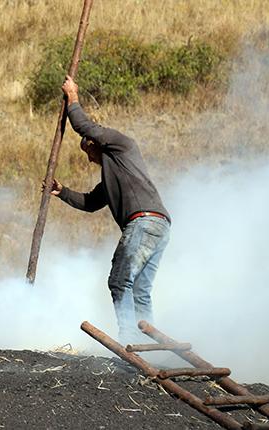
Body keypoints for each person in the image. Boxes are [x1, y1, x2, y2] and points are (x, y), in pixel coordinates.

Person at [44, 76, 171, 344]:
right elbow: (90, 203)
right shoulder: (113, 174)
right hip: (158, 225)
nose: (88, 157)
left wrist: (72, 97)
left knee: (119, 281)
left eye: (87, 149)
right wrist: (62, 191)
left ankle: (129, 339)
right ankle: (148, 340)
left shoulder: (121, 144)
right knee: (139, 290)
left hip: (143, 222)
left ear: (96, 143)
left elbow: (83, 125)